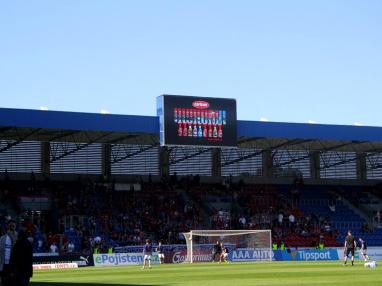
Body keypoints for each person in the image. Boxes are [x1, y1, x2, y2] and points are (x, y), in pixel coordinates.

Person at [0, 220, 18, 286]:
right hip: (3, 265)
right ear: (7, 226)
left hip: (13, 265)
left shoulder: (18, 237)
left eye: (13, 225)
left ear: (15, 226)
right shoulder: (2, 238)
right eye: (10, 225)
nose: (12, 227)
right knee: (3, 282)